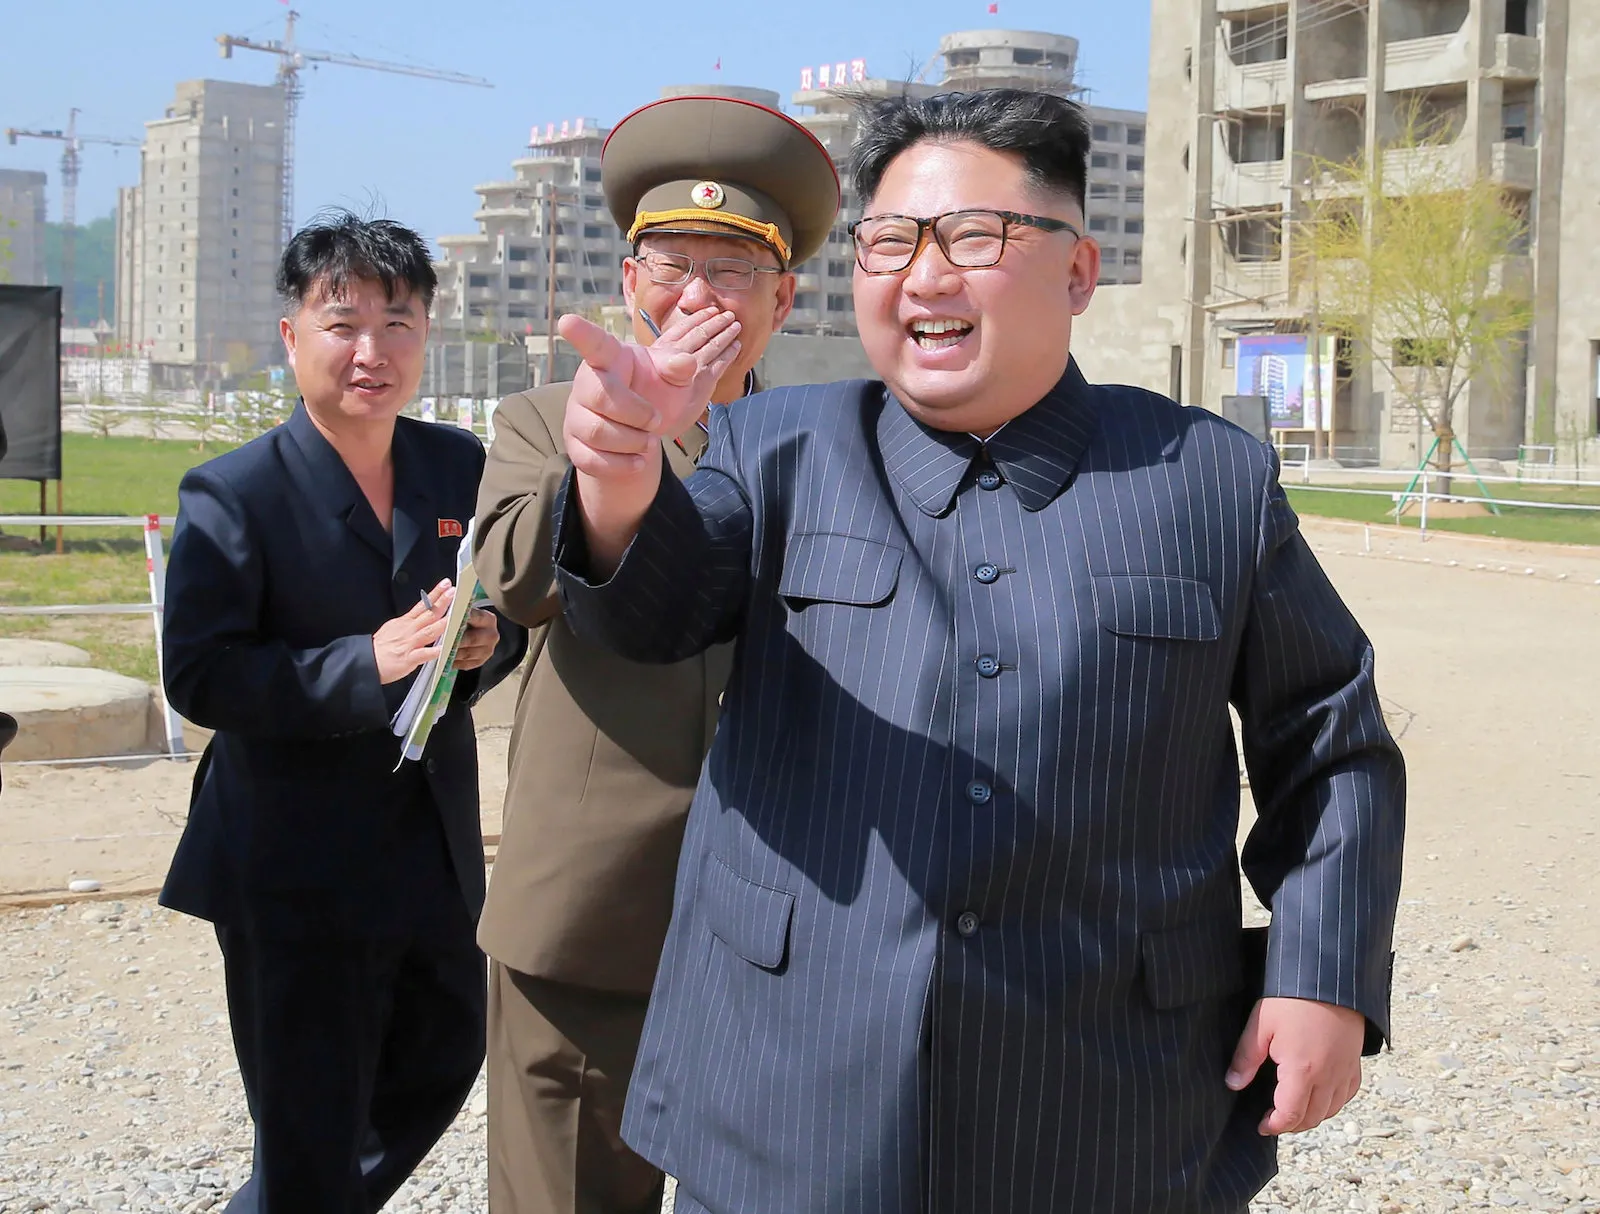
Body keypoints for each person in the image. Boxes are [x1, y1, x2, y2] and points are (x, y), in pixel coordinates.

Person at [548, 88, 1406, 1213]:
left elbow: (1329, 739)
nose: (925, 276)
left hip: (1109, 1096)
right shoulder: (775, 449)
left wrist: (1321, 974)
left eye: (972, 237)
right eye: (891, 241)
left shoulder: (1205, 479)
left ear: (1079, 272)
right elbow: (649, 614)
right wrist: (618, 479)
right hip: (793, 1086)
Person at [470, 94, 839, 1213]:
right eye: (673, 266)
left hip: (794, 917)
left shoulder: (835, 449)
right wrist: (617, 458)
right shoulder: (548, 420)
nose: (697, 296)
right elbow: (514, 576)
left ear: (783, 297)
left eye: (732, 271)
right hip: (595, 913)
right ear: (631, 281)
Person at [158, 211, 526, 1214]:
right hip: (292, 860)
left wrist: (484, 643)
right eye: (344, 323)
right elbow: (201, 675)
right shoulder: (234, 492)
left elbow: (503, 612)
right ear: (293, 337)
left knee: (445, 1055)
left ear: (427, 333)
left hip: (430, 849)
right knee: (310, 1119)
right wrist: (364, 663)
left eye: (398, 323)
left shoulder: (456, 465)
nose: (373, 351)